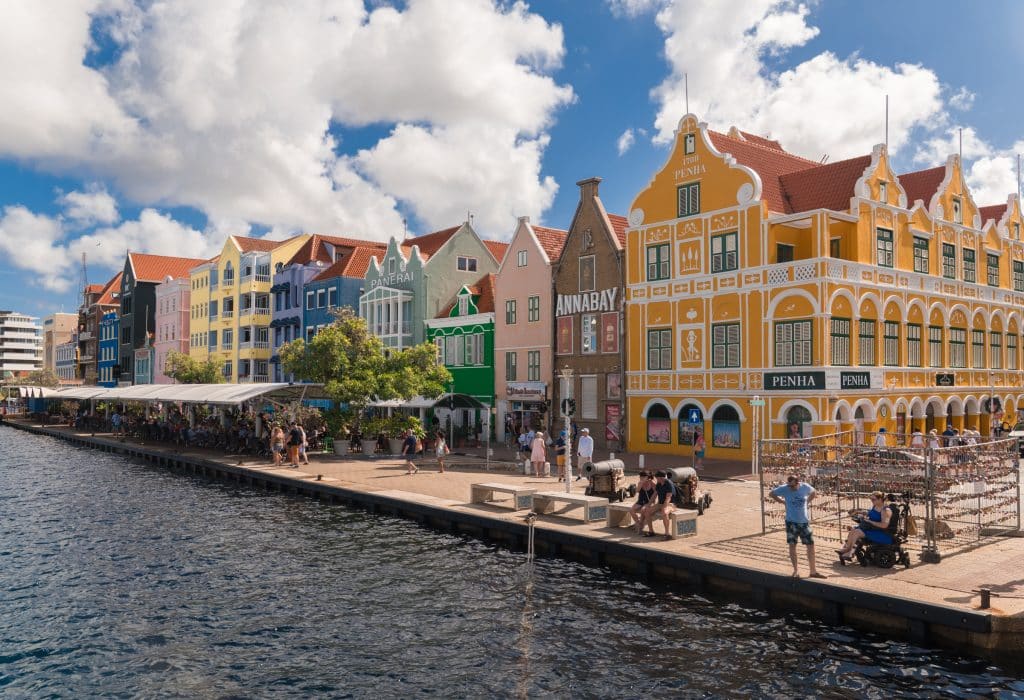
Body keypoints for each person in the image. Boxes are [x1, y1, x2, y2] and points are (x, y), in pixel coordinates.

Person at [769, 474, 825, 579]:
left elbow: (813, 492)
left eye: (792, 486)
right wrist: (782, 502)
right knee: (792, 545)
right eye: (789, 486)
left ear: (798, 483)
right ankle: (796, 570)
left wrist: (808, 501)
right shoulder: (785, 488)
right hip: (791, 522)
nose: (790, 488)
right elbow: (771, 494)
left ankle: (813, 571)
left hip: (804, 522)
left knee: (811, 545)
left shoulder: (805, 487)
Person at [836, 491, 893, 560]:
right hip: (871, 529)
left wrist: (870, 521)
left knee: (857, 532)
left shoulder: (886, 510)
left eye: (873, 499)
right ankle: (848, 550)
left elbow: (884, 525)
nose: (871, 501)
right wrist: (859, 512)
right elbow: (871, 514)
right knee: (853, 529)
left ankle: (849, 550)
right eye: (871, 499)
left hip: (881, 533)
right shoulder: (875, 506)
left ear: (880, 499)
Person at [638, 471, 677, 540]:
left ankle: (667, 534)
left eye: (657, 477)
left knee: (664, 513)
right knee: (647, 511)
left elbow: (668, 497)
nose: (656, 479)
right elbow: (654, 495)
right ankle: (651, 531)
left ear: (661, 477)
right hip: (660, 503)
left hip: (670, 504)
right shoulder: (659, 484)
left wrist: (664, 507)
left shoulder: (668, 483)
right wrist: (648, 504)